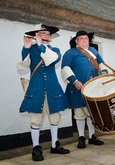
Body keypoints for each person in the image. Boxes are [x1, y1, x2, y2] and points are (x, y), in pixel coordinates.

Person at [18, 24, 70, 161]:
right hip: (36, 89)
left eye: (47, 34)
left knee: (55, 118)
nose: (46, 35)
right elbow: (22, 65)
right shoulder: (31, 49)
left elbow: (52, 59)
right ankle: (36, 148)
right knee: (35, 119)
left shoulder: (55, 49)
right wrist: (26, 48)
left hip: (53, 89)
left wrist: (41, 46)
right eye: (42, 33)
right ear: (36, 35)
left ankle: (54, 145)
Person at [61, 30, 107, 149]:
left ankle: (92, 137)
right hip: (78, 87)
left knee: (92, 113)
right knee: (80, 114)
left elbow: (101, 63)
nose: (84, 41)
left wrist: (103, 72)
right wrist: (74, 81)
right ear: (76, 41)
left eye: (86, 39)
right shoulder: (70, 53)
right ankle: (81, 137)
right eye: (81, 39)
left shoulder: (93, 51)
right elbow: (65, 68)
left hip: (94, 88)